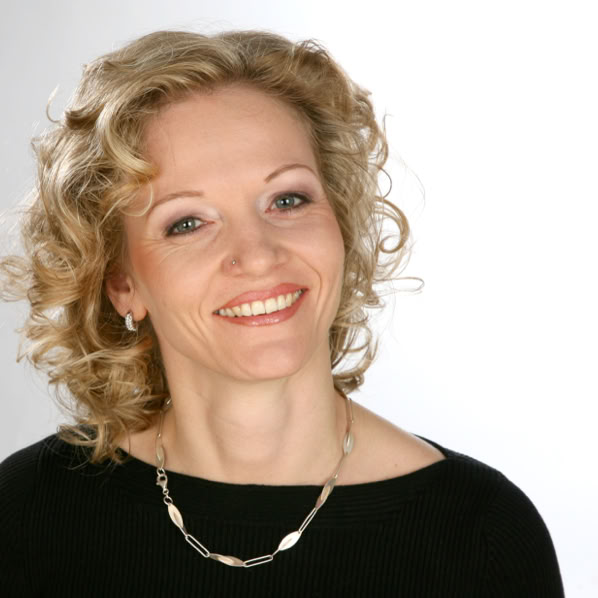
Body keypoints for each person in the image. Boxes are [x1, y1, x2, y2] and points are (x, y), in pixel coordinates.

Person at [0, 29, 564, 596]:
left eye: (287, 200)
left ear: (339, 225)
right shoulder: (23, 516)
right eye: (187, 222)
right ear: (122, 283)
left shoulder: (482, 535)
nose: (258, 255)